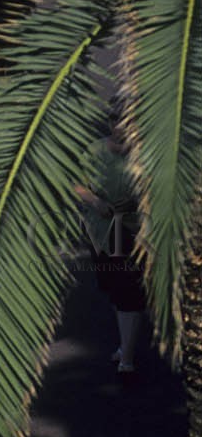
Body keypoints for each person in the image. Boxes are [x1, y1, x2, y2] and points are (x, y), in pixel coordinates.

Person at [78, 120, 146, 380]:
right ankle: (124, 344)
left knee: (129, 291)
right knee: (115, 289)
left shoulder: (146, 155)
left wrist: (136, 202)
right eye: (121, 124)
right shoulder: (95, 152)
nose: (125, 129)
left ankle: (126, 359)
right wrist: (96, 202)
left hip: (133, 232)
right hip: (101, 232)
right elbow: (76, 184)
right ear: (112, 125)